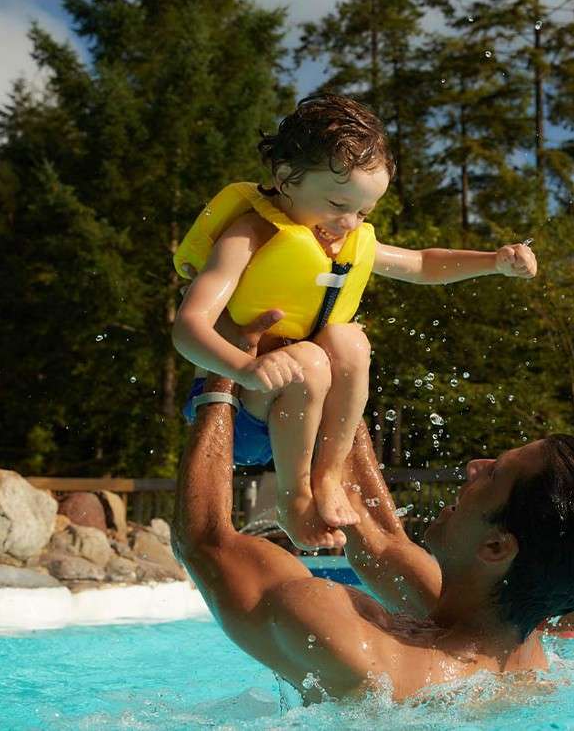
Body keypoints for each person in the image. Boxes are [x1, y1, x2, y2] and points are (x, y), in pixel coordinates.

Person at [171, 311, 574, 703]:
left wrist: (222, 370)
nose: (474, 466)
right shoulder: (524, 661)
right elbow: (380, 541)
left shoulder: (353, 645)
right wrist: (339, 365)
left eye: (494, 474)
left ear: (497, 546)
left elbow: (208, 543)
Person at [171, 93, 537, 551]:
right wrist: (243, 367)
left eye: (363, 212)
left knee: (350, 341)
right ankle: (293, 499)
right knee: (308, 358)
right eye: (337, 204)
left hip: (309, 411)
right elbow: (188, 327)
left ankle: (326, 476)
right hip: (242, 414)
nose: (349, 223)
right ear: (286, 180)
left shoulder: (346, 240)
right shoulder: (249, 235)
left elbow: (423, 264)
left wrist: (493, 261)